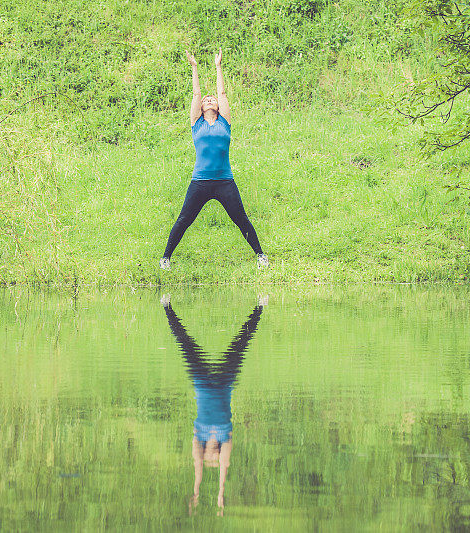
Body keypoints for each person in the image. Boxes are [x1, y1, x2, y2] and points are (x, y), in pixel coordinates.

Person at [160, 48, 268, 270]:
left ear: (218, 107)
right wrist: (194, 67)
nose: (209, 100)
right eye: (206, 100)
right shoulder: (196, 123)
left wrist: (218, 67)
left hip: (224, 182)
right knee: (184, 220)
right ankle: (165, 259)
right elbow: (196, 93)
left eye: (212, 99)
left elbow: (223, 94)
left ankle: (260, 256)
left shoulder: (224, 123)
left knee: (241, 220)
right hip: (200, 182)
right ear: (201, 107)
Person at [161, 294, 265, 514]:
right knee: (241, 345)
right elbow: (225, 465)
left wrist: (197, 491)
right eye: (214, 460)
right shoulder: (224, 440)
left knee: (185, 345)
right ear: (218, 455)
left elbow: (196, 463)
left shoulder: (199, 438)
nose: (211, 459)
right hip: (224, 383)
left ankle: (167, 307)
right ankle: (260, 306)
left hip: (202, 383)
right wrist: (220, 492)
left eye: (208, 460)